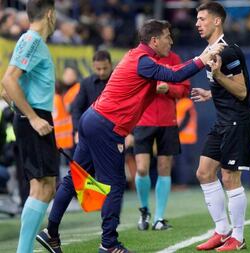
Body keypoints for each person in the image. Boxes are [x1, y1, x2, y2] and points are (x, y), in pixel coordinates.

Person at [37, 19, 223, 253]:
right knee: (114, 184)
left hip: (93, 119)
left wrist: (202, 57)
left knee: (75, 179)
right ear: (154, 40)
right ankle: (109, 244)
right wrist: (203, 59)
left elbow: (174, 76)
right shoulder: (143, 61)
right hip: (106, 126)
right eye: (168, 36)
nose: (171, 41)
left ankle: (51, 232)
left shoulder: (138, 57)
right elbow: (175, 76)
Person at [191, 2, 250, 251]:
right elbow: (228, 87)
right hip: (224, 121)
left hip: (239, 121)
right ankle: (221, 230)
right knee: (204, 172)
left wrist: (218, 77)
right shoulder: (211, 49)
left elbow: (241, 92)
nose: (197, 23)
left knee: (230, 177)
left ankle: (238, 237)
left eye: (202, 18)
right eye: (197, 19)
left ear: (217, 21)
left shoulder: (226, 52)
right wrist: (211, 92)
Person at [0, 1, 59, 252]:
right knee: (44, 187)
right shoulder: (32, 40)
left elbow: (5, 91)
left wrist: (25, 115)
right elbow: (8, 81)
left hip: (34, 117)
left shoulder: (33, 41)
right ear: (50, 14)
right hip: (37, 118)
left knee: (43, 187)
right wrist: (32, 117)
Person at [132, 50, 190, 231]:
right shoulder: (140, 58)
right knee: (141, 168)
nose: (169, 41)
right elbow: (131, 87)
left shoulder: (174, 58)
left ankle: (159, 217)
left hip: (168, 122)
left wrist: (168, 89)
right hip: (143, 120)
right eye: (166, 37)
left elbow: (184, 89)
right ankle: (144, 211)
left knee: (164, 168)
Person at [71, 50, 113, 144]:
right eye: (98, 69)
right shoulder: (86, 83)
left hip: (114, 132)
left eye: (105, 68)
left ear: (111, 65)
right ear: (93, 67)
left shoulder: (120, 82)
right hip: (90, 131)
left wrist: (130, 132)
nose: (102, 72)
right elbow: (76, 108)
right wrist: (78, 130)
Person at [53, 66, 80, 156]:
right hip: (64, 136)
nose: (68, 77)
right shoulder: (61, 91)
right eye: (67, 74)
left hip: (74, 131)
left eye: (71, 74)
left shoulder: (77, 88)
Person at [172, 96, 198, 187]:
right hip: (179, 139)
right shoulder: (177, 103)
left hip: (187, 139)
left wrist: (175, 131)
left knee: (183, 162)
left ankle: (183, 183)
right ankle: (180, 182)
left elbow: (186, 120)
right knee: (179, 162)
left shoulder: (186, 102)